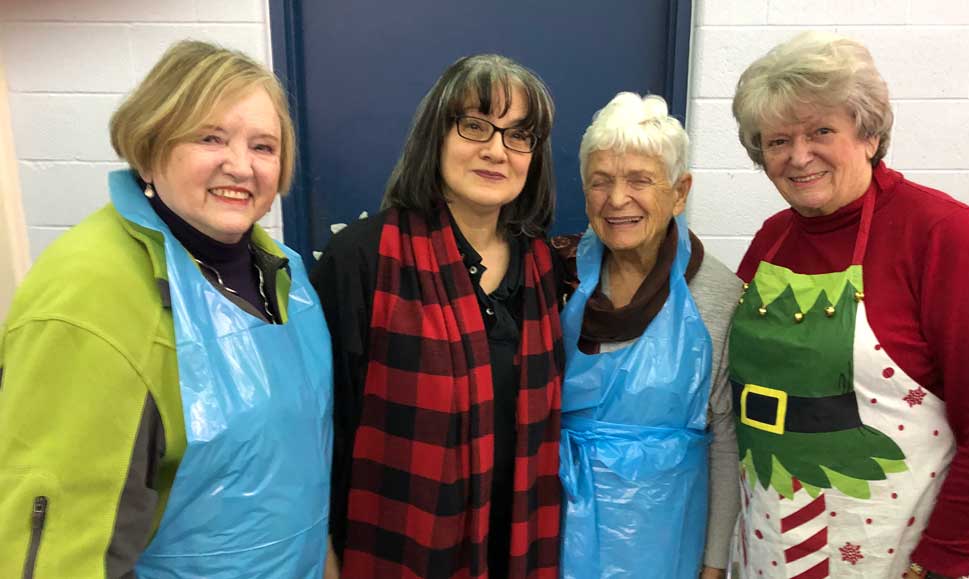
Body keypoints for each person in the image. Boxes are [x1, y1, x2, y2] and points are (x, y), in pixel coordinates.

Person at [0, 41, 333, 578]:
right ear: (151, 147)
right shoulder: (90, 297)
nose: (241, 166)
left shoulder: (284, 275)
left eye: (264, 146)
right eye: (210, 137)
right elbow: (59, 548)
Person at [728, 32, 969, 579]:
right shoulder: (771, 239)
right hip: (764, 550)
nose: (799, 156)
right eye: (776, 140)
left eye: (821, 131)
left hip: (891, 559)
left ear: (868, 135)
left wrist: (941, 563)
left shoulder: (945, 235)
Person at [311, 54, 563, 579]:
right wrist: (325, 550)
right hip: (400, 546)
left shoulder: (543, 266)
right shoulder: (364, 258)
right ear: (437, 135)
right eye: (475, 125)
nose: (497, 150)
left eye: (520, 135)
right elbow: (325, 426)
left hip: (516, 544)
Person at [552, 92, 740, 579]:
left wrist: (715, 562)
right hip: (555, 521)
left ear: (679, 192)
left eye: (639, 180)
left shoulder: (717, 293)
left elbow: (725, 438)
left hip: (668, 532)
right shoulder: (552, 275)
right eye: (601, 182)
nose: (617, 200)